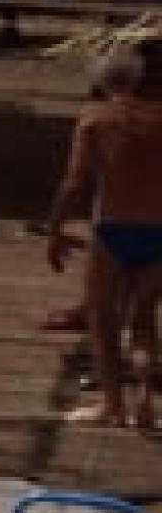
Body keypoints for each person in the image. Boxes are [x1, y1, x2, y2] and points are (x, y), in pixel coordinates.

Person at [49, 41, 162, 427]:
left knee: (103, 319)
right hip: (158, 228)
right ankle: (146, 396)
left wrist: (56, 228)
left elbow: (74, 183)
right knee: (144, 319)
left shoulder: (96, 121)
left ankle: (112, 404)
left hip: (113, 227)